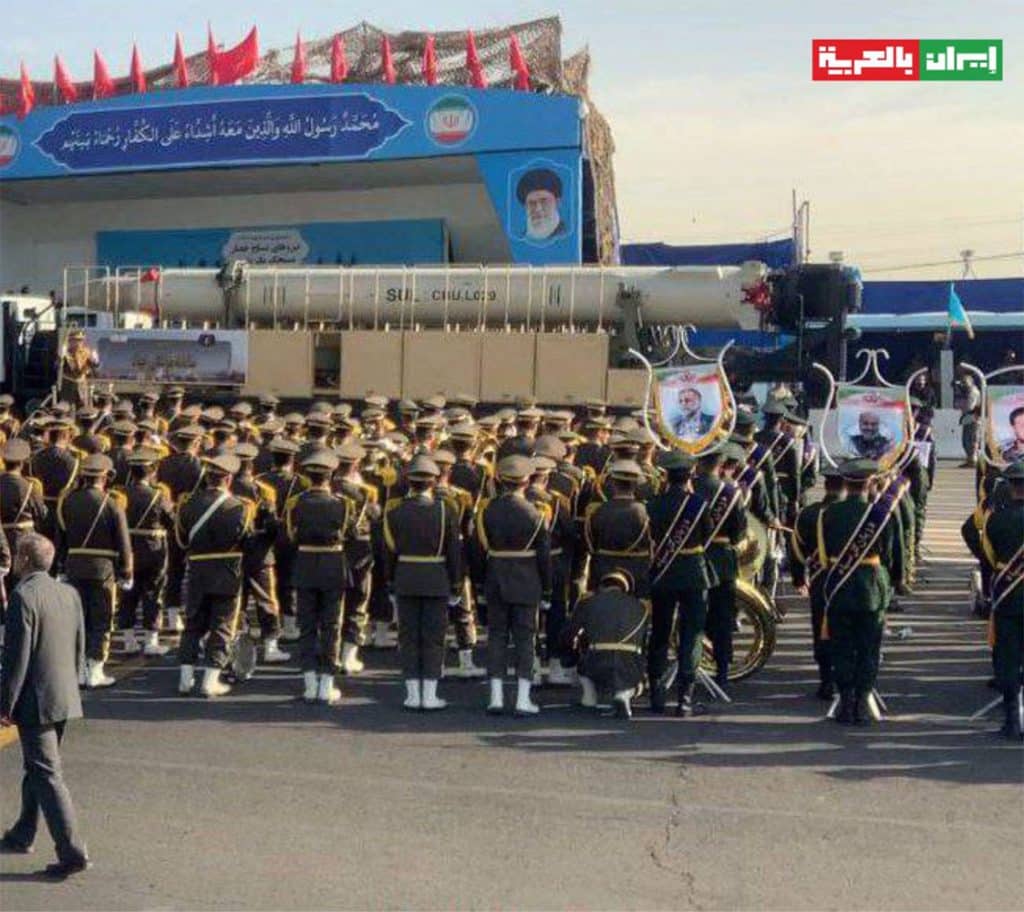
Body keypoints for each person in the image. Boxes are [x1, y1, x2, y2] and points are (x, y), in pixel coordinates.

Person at [0, 534, 91, 878]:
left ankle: (72, 852)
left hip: (35, 699)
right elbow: (79, 644)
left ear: (23, 559)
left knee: (47, 774)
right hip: (64, 694)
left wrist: (5, 703)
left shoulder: (23, 596)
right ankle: (23, 832)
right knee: (37, 768)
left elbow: (16, 658)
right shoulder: (68, 592)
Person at [818, 459, 901, 725]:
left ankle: (845, 701)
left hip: (839, 588)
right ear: (870, 483)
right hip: (871, 589)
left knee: (841, 647)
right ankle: (863, 702)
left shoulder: (828, 513)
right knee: (868, 648)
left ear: (845, 482)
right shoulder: (881, 514)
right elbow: (889, 554)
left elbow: (823, 557)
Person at [473, 455, 552, 715]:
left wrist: (480, 586)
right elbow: (544, 557)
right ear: (526, 481)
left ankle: (495, 697)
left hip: (495, 576)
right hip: (527, 580)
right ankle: (522, 699)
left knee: (496, 637)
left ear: (500, 480)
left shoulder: (486, 510)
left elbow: (478, 552)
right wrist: (548, 589)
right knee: (524, 639)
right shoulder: (537, 513)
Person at [382, 455, 462, 710]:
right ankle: (429, 695)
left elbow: (388, 552)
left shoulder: (394, 512)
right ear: (434, 482)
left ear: (409, 481)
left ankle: (412, 694)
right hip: (436, 578)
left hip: (405, 577)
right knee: (434, 638)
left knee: (408, 638)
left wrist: (390, 583)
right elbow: (453, 552)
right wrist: (457, 584)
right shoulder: (444, 509)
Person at [176, 451, 251, 699]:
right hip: (227, 572)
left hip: (197, 569)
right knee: (221, 626)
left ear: (207, 477)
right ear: (228, 479)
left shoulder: (187, 504)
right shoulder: (239, 507)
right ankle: (210, 680)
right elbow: (246, 540)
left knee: (193, 624)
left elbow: (181, 539)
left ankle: (185, 680)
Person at [645, 451, 715, 715]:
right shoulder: (699, 504)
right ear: (690, 476)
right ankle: (685, 698)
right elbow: (706, 537)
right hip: (694, 573)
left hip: (663, 573)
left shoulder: (653, 504)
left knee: (660, 633)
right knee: (691, 634)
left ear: (666, 475)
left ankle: (657, 694)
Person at [56, 452, 132, 689]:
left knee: (78, 619)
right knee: (101, 619)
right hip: (103, 570)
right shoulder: (111, 503)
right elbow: (123, 542)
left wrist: (60, 566)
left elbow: (61, 538)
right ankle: (95, 669)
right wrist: (126, 570)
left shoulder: (67, 501)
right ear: (106, 477)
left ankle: (78, 669)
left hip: (74, 567)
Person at [283, 449, 354, 705]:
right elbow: (349, 533)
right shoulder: (342, 504)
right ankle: (327, 683)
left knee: (307, 626)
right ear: (331, 474)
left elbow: (290, 536)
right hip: (333, 567)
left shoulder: (295, 503)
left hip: (305, 565)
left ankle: (310, 684)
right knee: (331, 626)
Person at [791, 464, 846, 700]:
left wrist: (797, 578)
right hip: (847, 577)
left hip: (819, 578)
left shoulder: (809, 513)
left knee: (821, 628)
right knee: (845, 629)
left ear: (826, 485)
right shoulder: (854, 513)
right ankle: (843, 680)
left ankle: (825, 680)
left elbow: (796, 548)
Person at [561, 570, 648, 718]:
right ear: (625, 588)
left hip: (596, 663)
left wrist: (569, 655)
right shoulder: (641, 607)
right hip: (630, 666)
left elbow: (568, 634)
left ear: (601, 587)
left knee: (583, 657)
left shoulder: (587, 602)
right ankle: (623, 695)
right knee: (637, 678)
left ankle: (589, 699)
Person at [979, 461, 1024, 740]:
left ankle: (1011, 719)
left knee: (1007, 658)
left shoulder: (994, 519)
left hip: (1008, 596)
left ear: (1009, 486)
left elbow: (990, 559)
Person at [516, 168, 568, 241]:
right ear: (525, 207)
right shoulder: (521, 239)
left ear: (557, 202)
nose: (538, 209)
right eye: (532, 203)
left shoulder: (566, 235)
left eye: (544, 201)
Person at [57, 329, 98, 408]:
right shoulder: (66, 353)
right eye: (75, 340)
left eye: (80, 340)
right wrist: (60, 357)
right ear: (70, 341)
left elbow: (94, 368)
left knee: (83, 407)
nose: (78, 343)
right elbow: (57, 366)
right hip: (68, 384)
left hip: (81, 385)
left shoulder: (86, 352)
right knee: (66, 407)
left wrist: (95, 361)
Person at [957, 371, 982, 467]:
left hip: (973, 417)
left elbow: (969, 406)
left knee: (972, 439)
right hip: (968, 417)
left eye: (965, 382)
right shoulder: (967, 391)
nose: (963, 384)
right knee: (966, 440)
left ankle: (973, 460)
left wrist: (961, 403)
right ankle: (969, 459)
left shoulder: (973, 391)